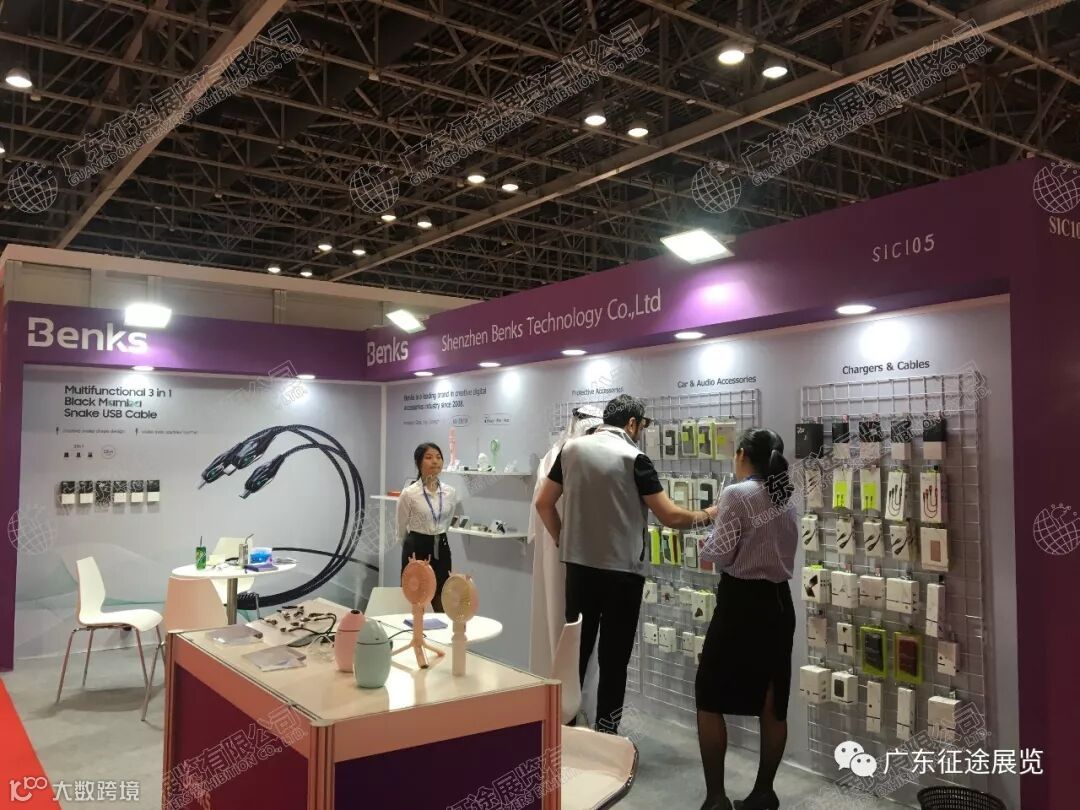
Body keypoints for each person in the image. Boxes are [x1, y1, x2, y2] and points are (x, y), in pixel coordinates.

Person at [534, 394, 718, 734]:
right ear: (632, 423)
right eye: (642, 425)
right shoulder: (634, 458)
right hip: (623, 575)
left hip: (578, 569)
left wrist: (563, 539)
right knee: (614, 660)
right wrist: (710, 513)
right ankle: (606, 736)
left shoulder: (570, 450)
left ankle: (564, 730)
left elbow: (544, 503)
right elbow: (671, 516)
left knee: (574, 654)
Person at [695, 428, 798, 810]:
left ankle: (716, 799)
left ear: (742, 455)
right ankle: (764, 794)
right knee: (773, 700)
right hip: (779, 604)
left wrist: (703, 542)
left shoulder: (736, 494)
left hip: (741, 603)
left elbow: (720, 553)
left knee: (709, 695)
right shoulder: (785, 498)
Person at [528, 405, 603, 677]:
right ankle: (562, 690)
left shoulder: (573, 456)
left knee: (579, 623)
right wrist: (562, 538)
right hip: (561, 546)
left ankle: (573, 690)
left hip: (577, 550)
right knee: (560, 615)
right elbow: (544, 504)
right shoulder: (558, 457)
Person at [396, 442, 458, 612]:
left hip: (441, 546)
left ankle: (439, 629)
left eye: (438, 457)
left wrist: (438, 535)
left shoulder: (450, 492)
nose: (435, 461)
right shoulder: (409, 493)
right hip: (416, 546)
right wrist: (412, 547)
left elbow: (447, 521)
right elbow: (400, 529)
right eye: (429, 457)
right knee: (416, 597)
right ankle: (415, 628)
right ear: (419, 463)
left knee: (442, 595)